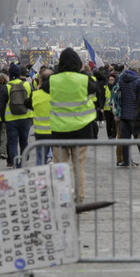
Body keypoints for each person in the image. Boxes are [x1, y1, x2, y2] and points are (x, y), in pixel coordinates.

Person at [46, 48, 98, 203]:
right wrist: (83, 73)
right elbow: (95, 88)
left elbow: (44, 89)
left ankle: (61, 197)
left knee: (60, 167)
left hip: (59, 130)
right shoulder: (83, 79)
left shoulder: (53, 80)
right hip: (81, 130)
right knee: (78, 167)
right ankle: (79, 197)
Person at [1, 63, 32, 168]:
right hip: (25, 118)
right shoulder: (28, 85)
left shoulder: (7, 87)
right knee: (24, 141)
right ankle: (24, 160)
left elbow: (2, 105)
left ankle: (15, 163)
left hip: (11, 119)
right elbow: (32, 101)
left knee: (13, 143)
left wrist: (3, 118)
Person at [117, 60, 140, 166]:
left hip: (123, 114)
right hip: (134, 114)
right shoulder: (137, 81)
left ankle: (127, 161)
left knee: (125, 140)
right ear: (137, 69)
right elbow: (139, 98)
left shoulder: (121, 79)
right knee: (139, 139)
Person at [31, 68, 52, 166]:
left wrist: (39, 85)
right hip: (56, 131)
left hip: (41, 133)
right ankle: (60, 179)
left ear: (41, 79)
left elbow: (28, 104)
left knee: (40, 159)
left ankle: (39, 179)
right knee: (59, 160)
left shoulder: (35, 95)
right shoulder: (58, 94)